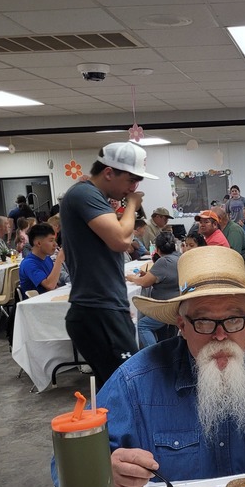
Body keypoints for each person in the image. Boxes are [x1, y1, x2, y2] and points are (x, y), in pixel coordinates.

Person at [89, 245, 245, 487]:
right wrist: (106, 474)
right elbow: (72, 467)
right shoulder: (136, 382)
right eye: (203, 321)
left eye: (233, 319)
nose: (220, 336)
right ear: (182, 325)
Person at [60, 141, 156, 388]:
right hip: (97, 310)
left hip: (104, 307)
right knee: (129, 386)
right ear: (109, 172)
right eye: (131, 180)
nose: (133, 188)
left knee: (118, 388)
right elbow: (121, 240)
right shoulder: (84, 194)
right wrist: (132, 204)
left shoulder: (93, 196)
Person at [127, 231, 181, 348]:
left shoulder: (163, 261)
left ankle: (153, 354)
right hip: (177, 303)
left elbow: (144, 283)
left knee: (142, 325)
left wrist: (131, 278)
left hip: (166, 307)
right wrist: (148, 275)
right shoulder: (179, 258)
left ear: (157, 249)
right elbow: (165, 277)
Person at [19, 222, 66, 297]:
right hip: (37, 302)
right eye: (51, 240)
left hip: (50, 298)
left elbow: (55, 284)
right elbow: (50, 285)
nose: (55, 244)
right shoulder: (28, 263)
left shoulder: (47, 258)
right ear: (38, 243)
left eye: (55, 240)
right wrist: (59, 258)